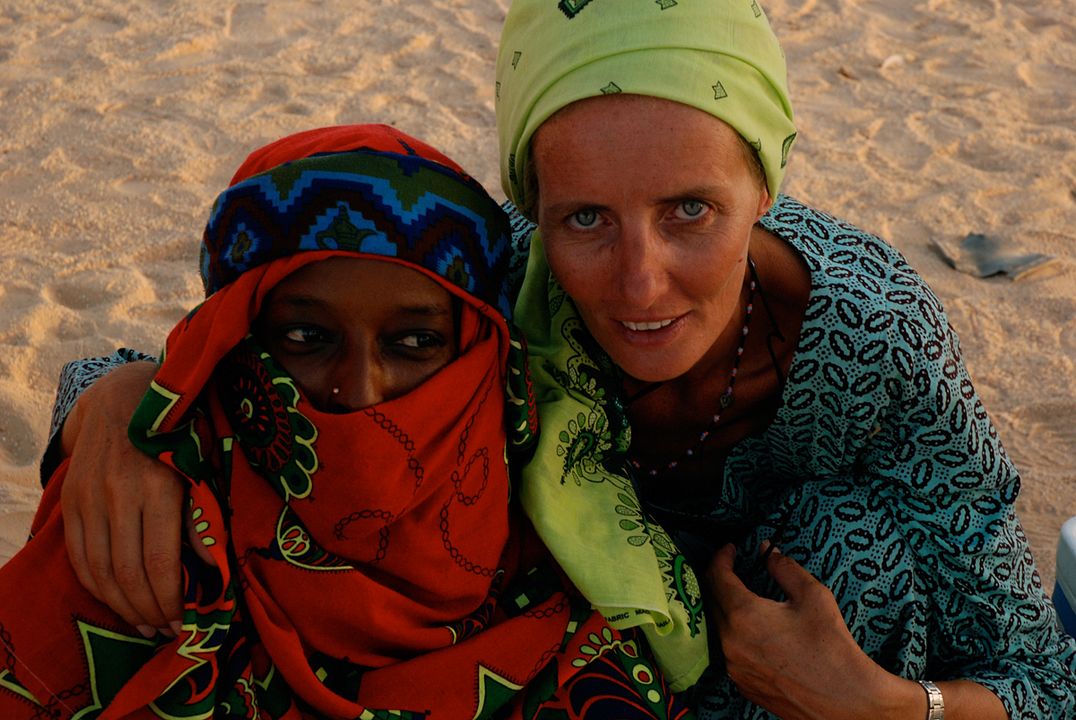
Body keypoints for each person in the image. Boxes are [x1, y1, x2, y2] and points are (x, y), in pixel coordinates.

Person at [34, 2, 1076, 719]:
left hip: (806, 686)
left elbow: (1037, 677)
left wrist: (882, 706)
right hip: (581, 672)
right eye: (585, 217)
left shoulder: (872, 333)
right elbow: (278, 351)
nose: (636, 284)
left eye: (689, 211)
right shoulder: (499, 287)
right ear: (531, 205)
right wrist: (118, 405)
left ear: (765, 183)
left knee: (847, 544)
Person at [0, 124, 697, 718]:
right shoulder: (137, 508)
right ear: (236, 340)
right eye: (306, 338)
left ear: (483, 351)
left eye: (415, 343)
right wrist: (115, 398)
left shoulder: (581, 547)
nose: (359, 390)